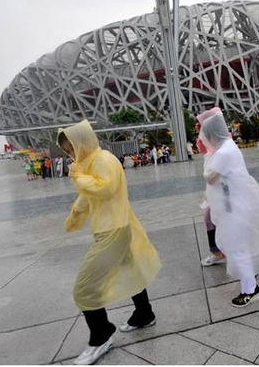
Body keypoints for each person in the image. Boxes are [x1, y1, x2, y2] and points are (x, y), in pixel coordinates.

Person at [57, 120, 161, 364]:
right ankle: (144, 314)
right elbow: (87, 197)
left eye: (72, 148)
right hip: (112, 227)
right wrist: (74, 217)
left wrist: (79, 177)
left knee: (84, 288)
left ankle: (101, 335)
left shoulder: (103, 159)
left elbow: (106, 188)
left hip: (113, 230)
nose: (71, 154)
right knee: (131, 271)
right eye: (67, 151)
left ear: (82, 141)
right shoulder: (90, 163)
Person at [199, 110, 259, 307]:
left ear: (213, 135)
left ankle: (250, 289)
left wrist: (206, 165)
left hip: (233, 206)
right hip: (236, 202)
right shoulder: (228, 145)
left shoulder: (223, 152)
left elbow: (210, 177)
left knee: (237, 247)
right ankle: (253, 273)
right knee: (241, 244)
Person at [196, 107, 226, 267]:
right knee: (210, 217)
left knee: (211, 217)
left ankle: (219, 251)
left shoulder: (222, 147)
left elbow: (213, 175)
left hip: (222, 191)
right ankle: (218, 251)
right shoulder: (213, 144)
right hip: (215, 191)